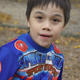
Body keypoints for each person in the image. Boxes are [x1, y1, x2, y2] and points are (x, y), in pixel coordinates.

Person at [0, 0, 71, 80]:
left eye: (55, 20)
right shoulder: (11, 53)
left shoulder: (58, 58)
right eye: (39, 17)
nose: (46, 26)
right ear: (28, 20)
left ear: (63, 26)